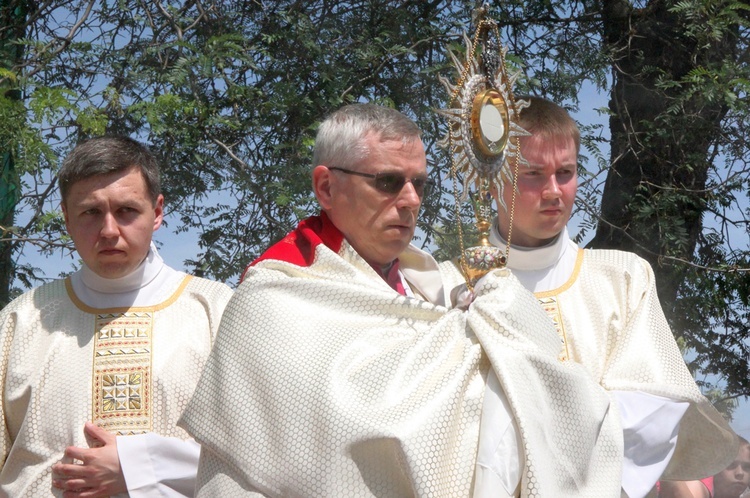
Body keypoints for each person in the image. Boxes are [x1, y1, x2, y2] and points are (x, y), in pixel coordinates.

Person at [180, 103, 630, 497]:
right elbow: (332, 442)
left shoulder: (434, 286)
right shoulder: (274, 299)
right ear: (326, 187)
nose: (411, 200)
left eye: (420, 184)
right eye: (389, 181)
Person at [439, 96, 737, 498]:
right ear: (493, 181)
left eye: (566, 172)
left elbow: (656, 404)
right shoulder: (446, 284)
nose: (553, 191)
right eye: (532, 174)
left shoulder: (622, 278)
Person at [0, 136, 233, 497]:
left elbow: (262, 454)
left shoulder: (218, 312)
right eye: (91, 212)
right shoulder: (20, 322)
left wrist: (140, 466)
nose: (109, 230)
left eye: (126, 211)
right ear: (65, 216)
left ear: (157, 212)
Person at [660, 437, 750, 498]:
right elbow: (677, 494)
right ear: (715, 467)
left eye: (747, 467)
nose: (740, 473)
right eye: (731, 465)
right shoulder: (699, 482)